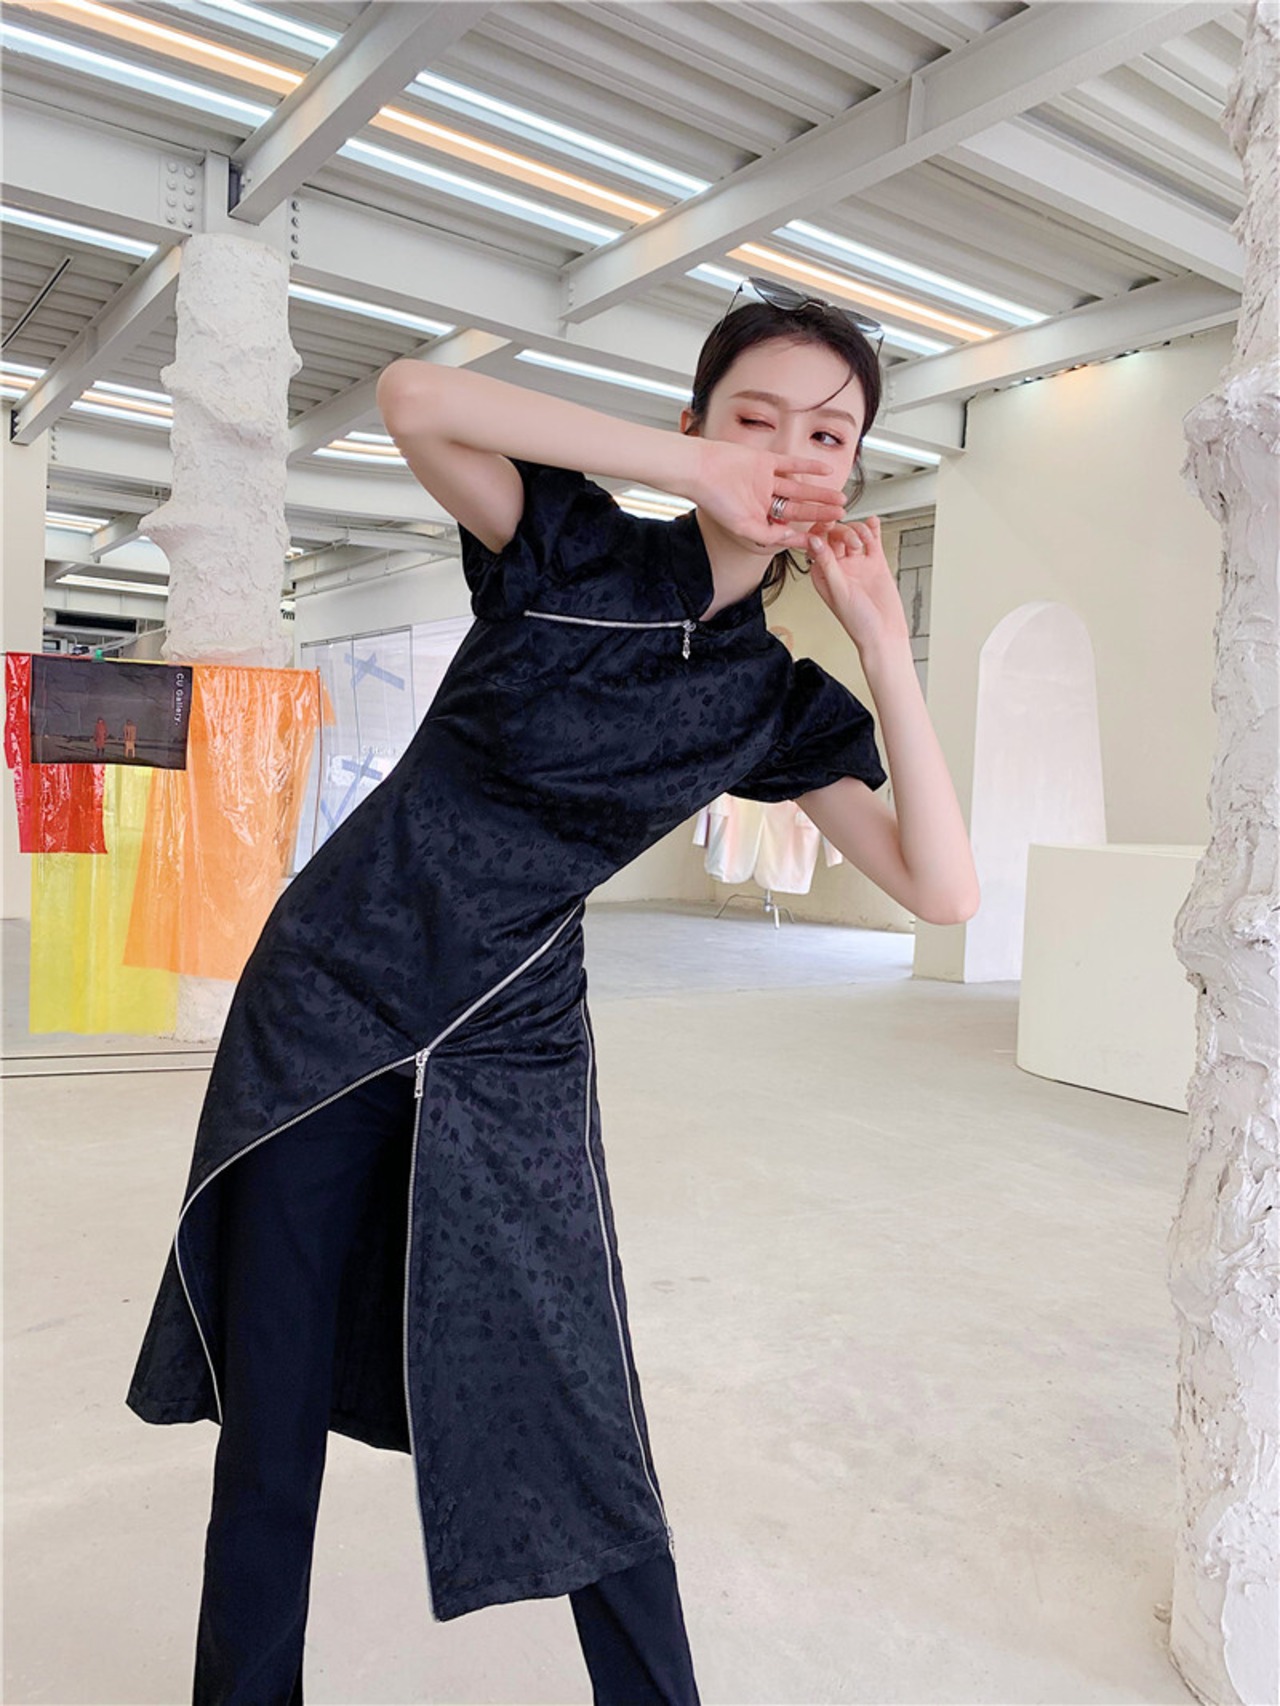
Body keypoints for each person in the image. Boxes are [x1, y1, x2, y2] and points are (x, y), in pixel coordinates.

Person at [125, 278, 978, 1704]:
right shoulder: (566, 544)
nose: (789, 455)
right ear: (696, 426)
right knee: (272, 1416)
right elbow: (414, 395)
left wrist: (885, 640)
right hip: (330, 993)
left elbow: (941, 889)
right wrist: (687, 470)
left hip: (510, 1036)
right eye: (754, 420)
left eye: (827, 436)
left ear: (852, 472)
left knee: (581, 1407)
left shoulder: (770, 699)